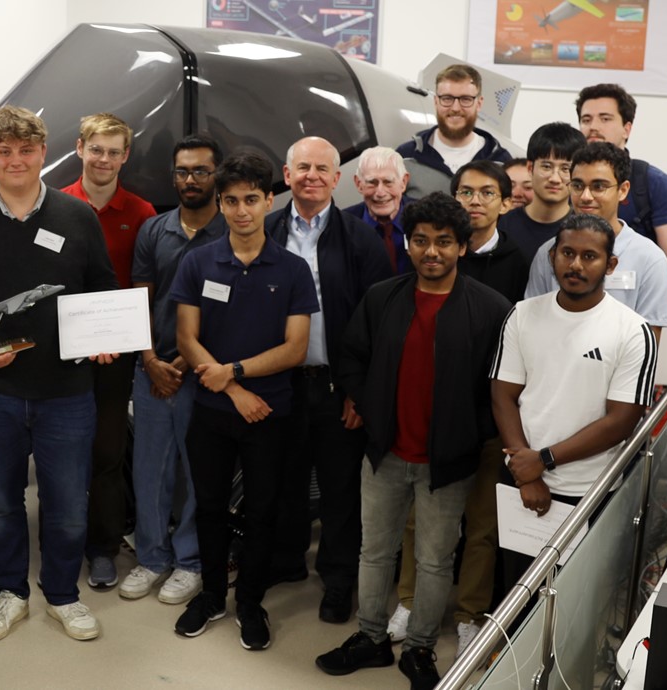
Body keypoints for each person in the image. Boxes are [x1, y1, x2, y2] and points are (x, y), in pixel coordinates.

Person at [0, 105, 119, 643]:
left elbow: (102, 287)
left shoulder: (77, 218)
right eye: (4, 150)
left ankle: (63, 594)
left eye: (26, 150)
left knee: (66, 506)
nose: (15, 160)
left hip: (67, 394)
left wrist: (106, 339)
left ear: (43, 152)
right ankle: (10, 592)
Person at [318, 192, 511, 688]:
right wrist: (370, 407)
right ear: (408, 243)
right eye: (421, 240)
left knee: (433, 560)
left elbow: (502, 384)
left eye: (444, 242)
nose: (431, 252)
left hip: (447, 463)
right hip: (384, 454)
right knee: (375, 552)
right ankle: (370, 638)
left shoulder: (490, 309)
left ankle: (420, 650)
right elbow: (351, 358)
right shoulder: (382, 297)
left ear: (462, 248)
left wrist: (470, 433)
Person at [169, 149, 318, 651]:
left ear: (268, 200)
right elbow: (187, 339)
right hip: (212, 412)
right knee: (208, 505)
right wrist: (233, 388)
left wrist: (234, 372)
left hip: (271, 414)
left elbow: (295, 349)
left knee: (263, 511)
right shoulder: (198, 262)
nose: (240, 210)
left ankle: (250, 601)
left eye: (251, 199)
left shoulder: (293, 270)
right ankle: (212, 594)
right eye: (230, 201)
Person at [265, 136, 392, 624]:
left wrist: (361, 392)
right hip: (280, 384)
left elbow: (377, 324)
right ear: (288, 173)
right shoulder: (268, 230)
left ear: (338, 179)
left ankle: (337, 581)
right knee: (283, 480)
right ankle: (287, 562)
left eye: (323, 168)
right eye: (303, 167)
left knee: (340, 491)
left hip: (339, 389)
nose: (312, 176)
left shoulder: (361, 241)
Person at [492, 213, 657, 577]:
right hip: (521, 480)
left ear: (610, 265)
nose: (576, 264)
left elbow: (622, 420)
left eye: (589, 256)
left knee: (576, 602)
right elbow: (503, 395)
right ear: (552, 257)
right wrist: (527, 472)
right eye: (567, 253)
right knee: (516, 592)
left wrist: (545, 460)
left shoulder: (632, 330)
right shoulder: (522, 315)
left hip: (587, 492)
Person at [119, 133, 228, 604]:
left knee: (197, 473)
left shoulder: (231, 232)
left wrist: (184, 363)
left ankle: (190, 561)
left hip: (205, 374)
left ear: (216, 175)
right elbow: (140, 299)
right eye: (182, 171)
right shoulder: (153, 230)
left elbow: (227, 312)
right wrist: (149, 360)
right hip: (152, 369)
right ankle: (152, 557)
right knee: (148, 471)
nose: (190, 180)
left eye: (201, 171)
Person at [60, 112, 157, 588]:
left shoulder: (142, 214)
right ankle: (61, 541)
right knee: (60, 452)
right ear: (80, 148)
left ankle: (102, 547)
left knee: (107, 453)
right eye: (96, 149)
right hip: (59, 354)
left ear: (126, 156)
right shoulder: (53, 205)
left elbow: (147, 286)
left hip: (116, 358)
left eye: (114, 151)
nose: (104, 159)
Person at [577, 83, 667, 370]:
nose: (593, 127)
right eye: (586, 119)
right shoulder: (567, 178)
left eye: (605, 118)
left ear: (627, 128)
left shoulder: (654, 184)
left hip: (629, 323)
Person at [524, 142, 667, 340]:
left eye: (598, 187)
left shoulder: (649, 258)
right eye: (577, 186)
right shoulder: (549, 252)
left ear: (623, 190)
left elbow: (647, 344)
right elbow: (532, 323)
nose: (585, 197)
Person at [396, 64, 513, 196]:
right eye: (447, 99)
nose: (456, 108)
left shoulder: (501, 162)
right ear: (435, 102)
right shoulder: (405, 157)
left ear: (479, 104)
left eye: (465, 99)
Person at [496, 122, 586, 258]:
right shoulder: (502, 225)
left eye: (565, 169)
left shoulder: (586, 231)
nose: (555, 178)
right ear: (530, 168)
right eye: (546, 167)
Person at [454, 161, 530, 303]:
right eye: (466, 192)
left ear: (505, 204)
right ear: (454, 200)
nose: (475, 201)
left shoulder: (518, 262)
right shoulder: (443, 253)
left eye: (487, 193)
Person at [342, 146, 414, 276]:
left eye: (388, 182)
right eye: (372, 182)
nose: (380, 193)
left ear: (403, 182)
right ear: (359, 184)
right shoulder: (341, 226)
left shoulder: (428, 217)